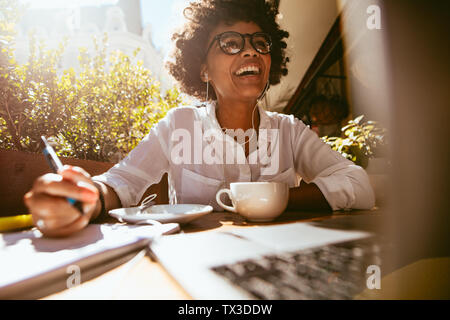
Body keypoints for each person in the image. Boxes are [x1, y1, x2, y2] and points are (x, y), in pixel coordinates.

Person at [24, 0, 375, 237]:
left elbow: (358, 184)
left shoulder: (290, 131)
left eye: (259, 42)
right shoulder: (178, 125)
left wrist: (278, 196)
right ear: (203, 68)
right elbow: (122, 183)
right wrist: (87, 196)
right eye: (231, 43)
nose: (251, 50)